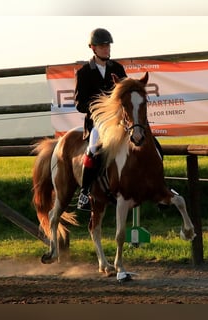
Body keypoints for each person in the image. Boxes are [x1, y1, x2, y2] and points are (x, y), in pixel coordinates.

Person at [74, 28, 127, 211]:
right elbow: (80, 104)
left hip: (118, 121)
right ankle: (84, 192)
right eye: (102, 46)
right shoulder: (84, 73)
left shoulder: (118, 69)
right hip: (98, 123)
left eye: (108, 45)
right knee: (93, 148)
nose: (106, 49)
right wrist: (100, 108)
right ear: (93, 48)